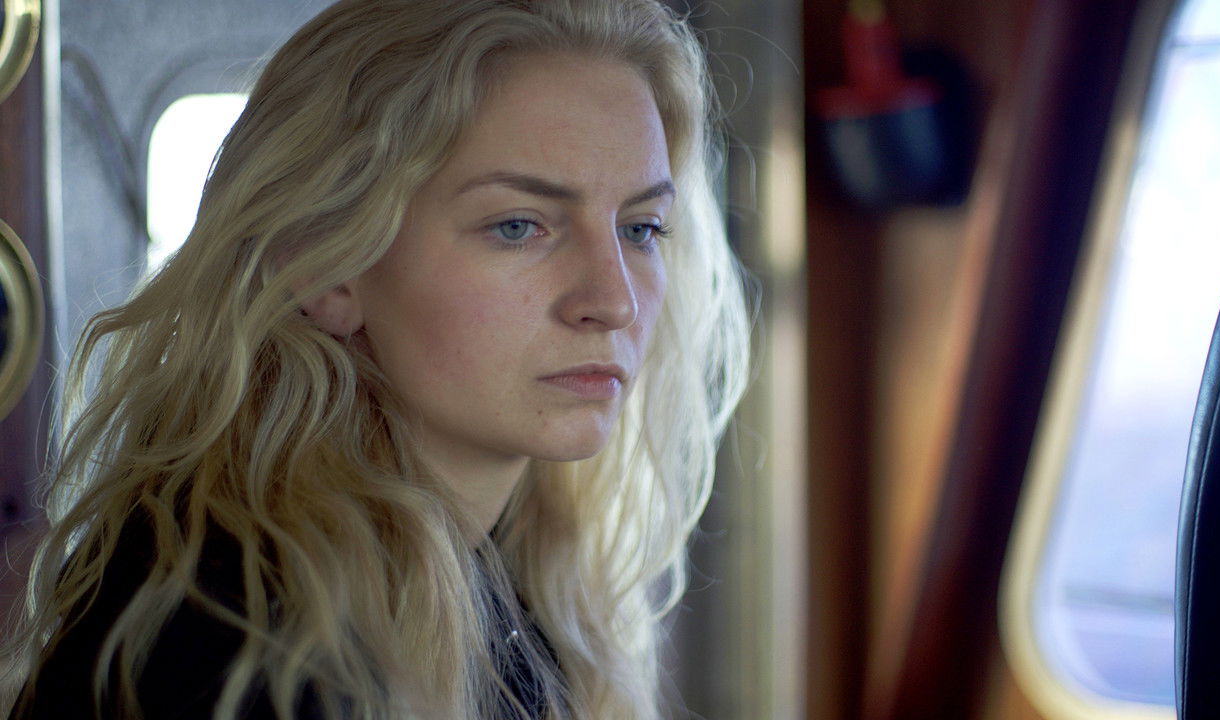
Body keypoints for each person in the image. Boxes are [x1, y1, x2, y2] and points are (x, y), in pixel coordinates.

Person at [1, 0, 751, 718]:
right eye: (519, 226)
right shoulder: (232, 642)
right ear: (326, 266)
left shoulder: (512, 590)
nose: (613, 301)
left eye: (641, 229)